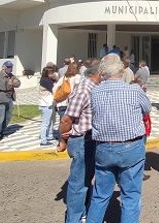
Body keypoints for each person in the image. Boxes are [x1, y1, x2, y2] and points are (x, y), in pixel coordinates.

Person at [86, 54, 151, 223]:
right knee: (131, 196)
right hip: (131, 146)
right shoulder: (134, 90)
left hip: (104, 147)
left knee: (100, 196)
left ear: (102, 72)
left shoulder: (95, 92)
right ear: (122, 70)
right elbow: (147, 108)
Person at [57, 65, 102, 223]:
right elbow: (66, 119)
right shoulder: (84, 89)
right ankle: (74, 219)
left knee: (87, 179)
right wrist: (63, 140)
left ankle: (83, 212)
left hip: (91, 139)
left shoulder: (93, 87)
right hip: (82, 140)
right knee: (79, 183)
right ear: (98, 74)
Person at [0, 61, 21, 143]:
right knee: (0, 118)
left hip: (9, 99)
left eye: (11, 67)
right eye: (8, 67)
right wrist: (11, 83)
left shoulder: (11, 75)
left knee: (8, 116)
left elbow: (18, 83)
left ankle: (2, 131)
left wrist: (14, 82)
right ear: (4, 67)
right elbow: (4, 87)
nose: (10, 69)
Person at [38, 62, 57, 146]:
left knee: (51, 121)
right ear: (47, 73)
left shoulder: (48, 79)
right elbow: (54, 89)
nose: (52, 73)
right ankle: (43, 140)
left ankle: (49, 135)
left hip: (50, 103)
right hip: (46, 104)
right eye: (51, 72)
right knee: (45, 123)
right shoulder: (44, 81)